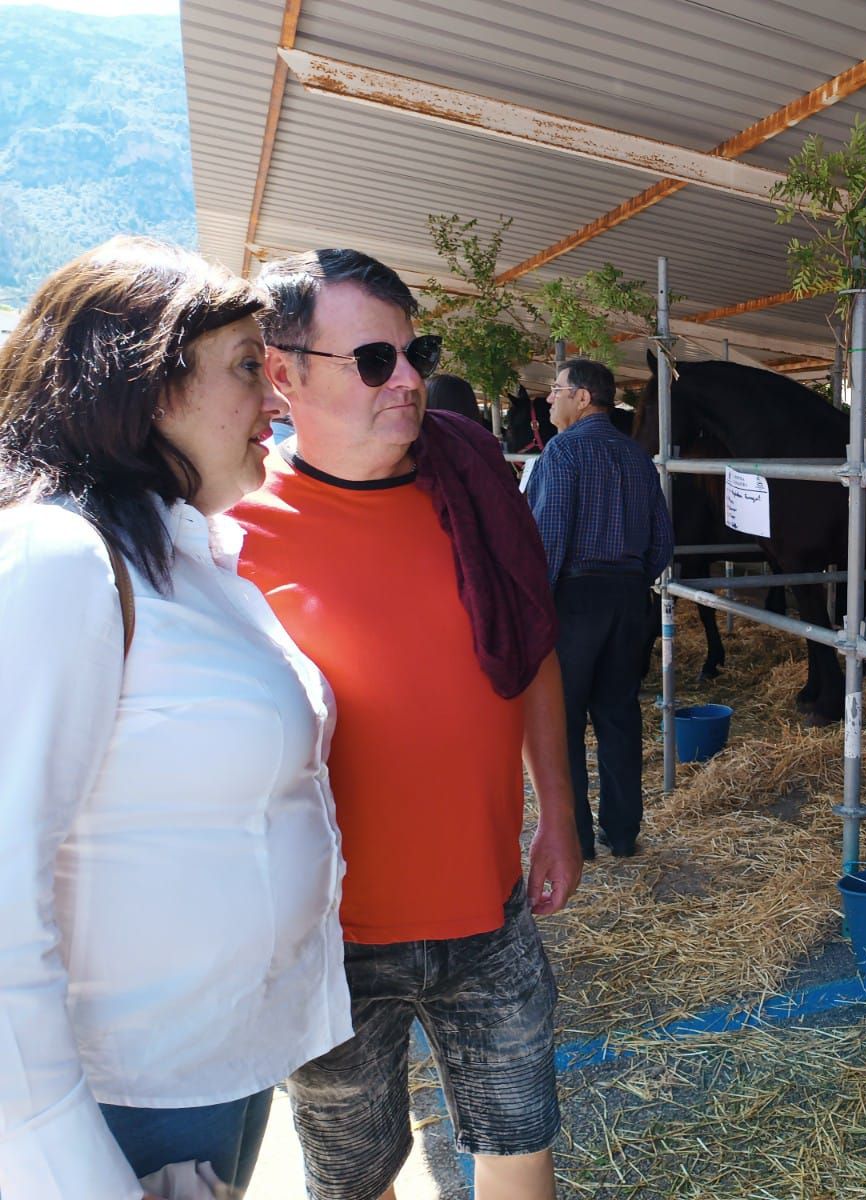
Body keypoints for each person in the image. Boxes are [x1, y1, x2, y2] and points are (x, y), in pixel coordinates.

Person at [0, 237, 350, 1199]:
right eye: (248, 368)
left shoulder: (189, 559)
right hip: (119, 1101)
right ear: (143, 388)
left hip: (216, 1065)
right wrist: (65, 1157)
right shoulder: (60, 559)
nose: (276, 402)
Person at [231, 248, 582, 1200]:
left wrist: (560, 808)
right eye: (375, 360)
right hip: (328, 943)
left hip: (490, 914)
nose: (412, 380)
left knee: (520, 1152)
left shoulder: (472, 497)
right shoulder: (231, 538)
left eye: (415, 350)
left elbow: (530, 651)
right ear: (283, 372)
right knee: (353, 1182)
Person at [527, 358, 672, 860]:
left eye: (556, 389)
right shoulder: (637, 458)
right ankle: (623, 831)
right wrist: (632, 582)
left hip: (574, 599)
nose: (550, 398)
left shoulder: (562, 454)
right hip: (630, 597)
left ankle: (578, 838)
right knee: (618, 714)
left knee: (561, 720)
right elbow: (662, 543)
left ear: (583, 397)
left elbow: (545, 541)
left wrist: (538, 606)